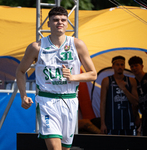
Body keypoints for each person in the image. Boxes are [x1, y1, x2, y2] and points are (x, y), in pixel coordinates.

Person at [16, 6, 97, 150]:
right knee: (54, 148)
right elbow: (20, 71)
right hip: (47, 101)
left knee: (65, 148)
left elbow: (93, 74)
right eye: (55, 20)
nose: (60, 22)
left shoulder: (77, 44)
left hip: (70, 100)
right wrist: (23, 95)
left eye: (63, 20)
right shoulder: (37, 47)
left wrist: (73, 77)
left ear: (67, 23)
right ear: (48, 23)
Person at [100, 56, 139, 135]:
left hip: (128, 121)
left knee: (128, 146)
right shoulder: (106, 81)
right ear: (113, 66)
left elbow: (136, 102)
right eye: (117, 65)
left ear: (124, 66)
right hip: (112, 122)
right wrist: (102, 123)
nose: (120, 67)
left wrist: (124, 89)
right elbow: (103, 103)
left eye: (122, 64)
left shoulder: (131, 81)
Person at [128, 56, 147, 136]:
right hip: (145, 117)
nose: (134, 68)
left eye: (136, 65)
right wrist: (135, 117)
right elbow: (135, 103)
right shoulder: (133, 82)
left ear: (142, 66)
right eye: (132, 66)